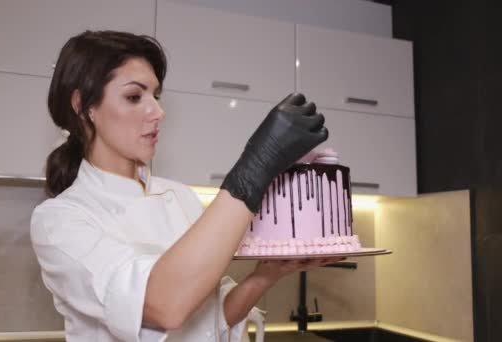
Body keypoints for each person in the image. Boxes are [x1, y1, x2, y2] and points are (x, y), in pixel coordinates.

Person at [30, 30, 340, 342]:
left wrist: (268, 273)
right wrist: (255, 168)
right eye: (134, 97)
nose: (158, 112)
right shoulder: (59, 221)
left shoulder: (180, 196)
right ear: (84, 106)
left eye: (156, 96)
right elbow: (162, 305)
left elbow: (209, 320)